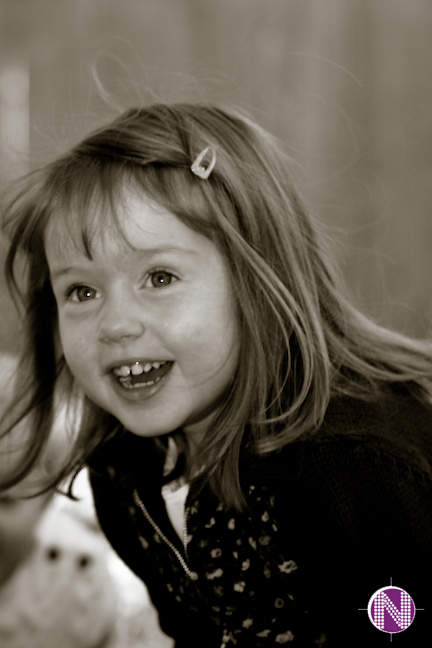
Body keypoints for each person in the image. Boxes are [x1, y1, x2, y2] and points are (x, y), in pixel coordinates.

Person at [1, 103, 431, 647]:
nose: (115, 325)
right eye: (82, 291)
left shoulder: (351, 470)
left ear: (257, 279)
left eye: (159, 277)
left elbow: (399, 623)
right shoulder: (124, 474)